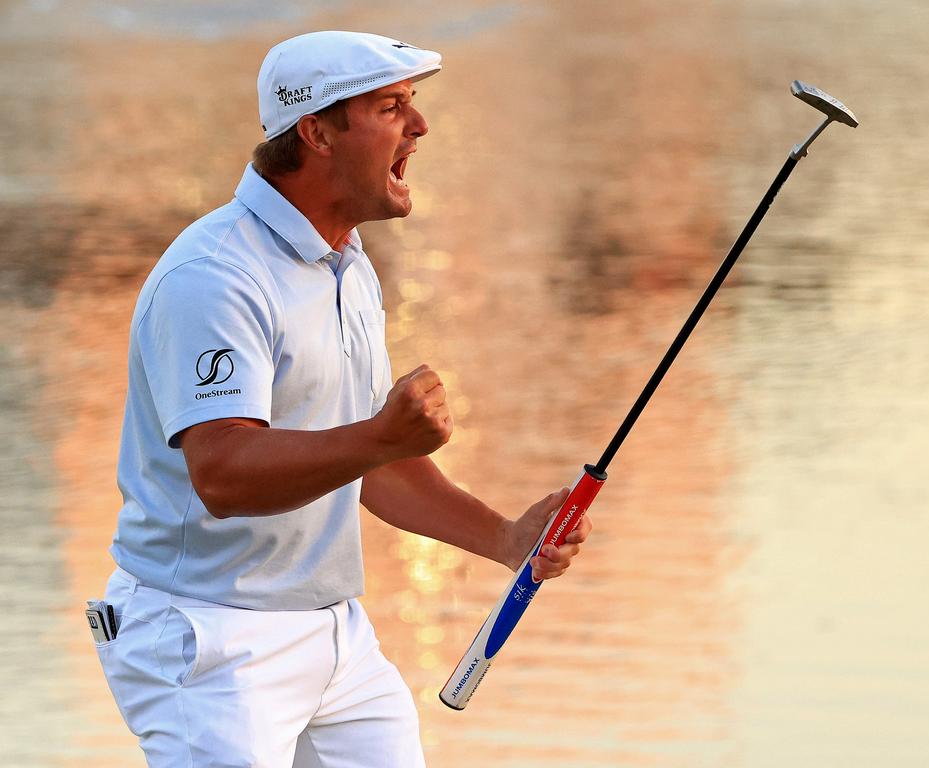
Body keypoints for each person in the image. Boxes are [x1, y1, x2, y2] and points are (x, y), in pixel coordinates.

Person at [93, 31, 591, 768]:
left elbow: (368, 465)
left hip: (333, 635)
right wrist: (381, 437)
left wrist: (506, 540)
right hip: (208, 637)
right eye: (392, 108)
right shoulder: (214, 276)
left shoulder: (348, 266)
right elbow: (223, 474)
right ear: (316, 132)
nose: (419, 128)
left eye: (412, 107)